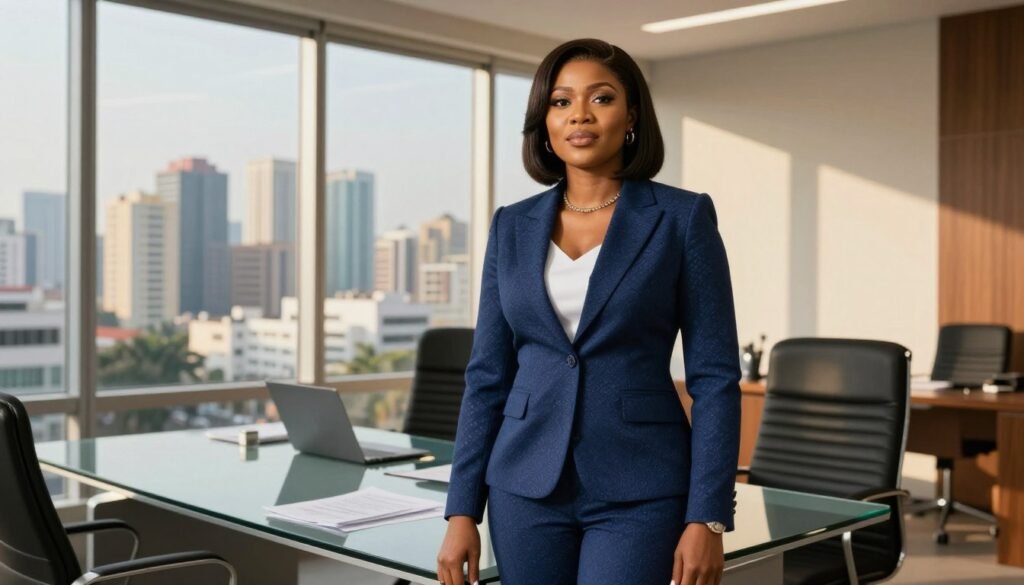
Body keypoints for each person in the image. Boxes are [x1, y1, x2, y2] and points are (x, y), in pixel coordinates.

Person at [437, 38, 740, 585]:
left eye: (600, 98)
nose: (579, 114)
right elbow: (487, 375)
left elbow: (715, 378)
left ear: (631, 118)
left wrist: (708, 516)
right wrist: (462, 508)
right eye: (560, 102)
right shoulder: (511, 225)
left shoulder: (681, 218)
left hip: (640, 485)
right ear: (545, 123)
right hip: (524, 485)